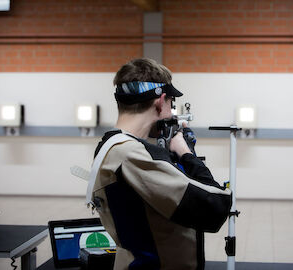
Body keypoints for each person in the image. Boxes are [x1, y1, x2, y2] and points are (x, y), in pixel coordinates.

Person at [91, 58, 232, 270]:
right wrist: (186, 153)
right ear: (160, 101)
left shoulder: (111, 145)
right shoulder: (133, 155)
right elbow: (214, 206)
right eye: (171, 103)